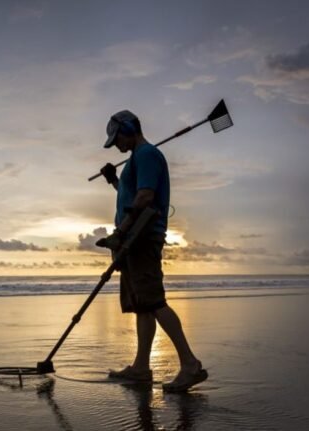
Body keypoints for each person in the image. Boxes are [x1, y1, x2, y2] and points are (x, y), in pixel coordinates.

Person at [96, 109, 207, 392]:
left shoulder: (146, 155)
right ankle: (141, 368)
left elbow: (146, 197)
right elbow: (132, 196)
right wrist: (114, 181)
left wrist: (121, 233)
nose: (117, 145)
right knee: (142, 305)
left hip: (141, 238)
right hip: (132, 240)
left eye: (117, 138)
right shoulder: (137, 159)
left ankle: (190, 365)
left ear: (129, 128)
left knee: (154, 301)